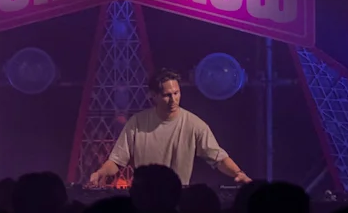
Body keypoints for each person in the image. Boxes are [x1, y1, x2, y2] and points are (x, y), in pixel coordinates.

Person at [86, 68, 252, 187]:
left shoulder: (195, 125)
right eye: (167, 95)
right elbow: (116, 161)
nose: (173, 99)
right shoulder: (137, 123)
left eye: (176, 93)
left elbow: (219, 158)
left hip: (178, 198)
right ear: (154, 96)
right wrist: (100, 173)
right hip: (144, 198)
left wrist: (238, 173)